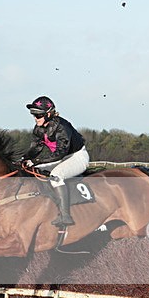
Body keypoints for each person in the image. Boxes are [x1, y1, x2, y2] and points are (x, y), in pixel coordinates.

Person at [23, 96, 89, 227]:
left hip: (77, 157)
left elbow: (60, 153)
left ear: (48, 114)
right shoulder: (39, 129)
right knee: (37, 171)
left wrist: (36, 161)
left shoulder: (62, 126)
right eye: (34, 115)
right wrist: (24, 159)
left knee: (55, 176)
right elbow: (36, 148)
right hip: (63, 158)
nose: (36, 118)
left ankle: (65, 216)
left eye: (39, 115)